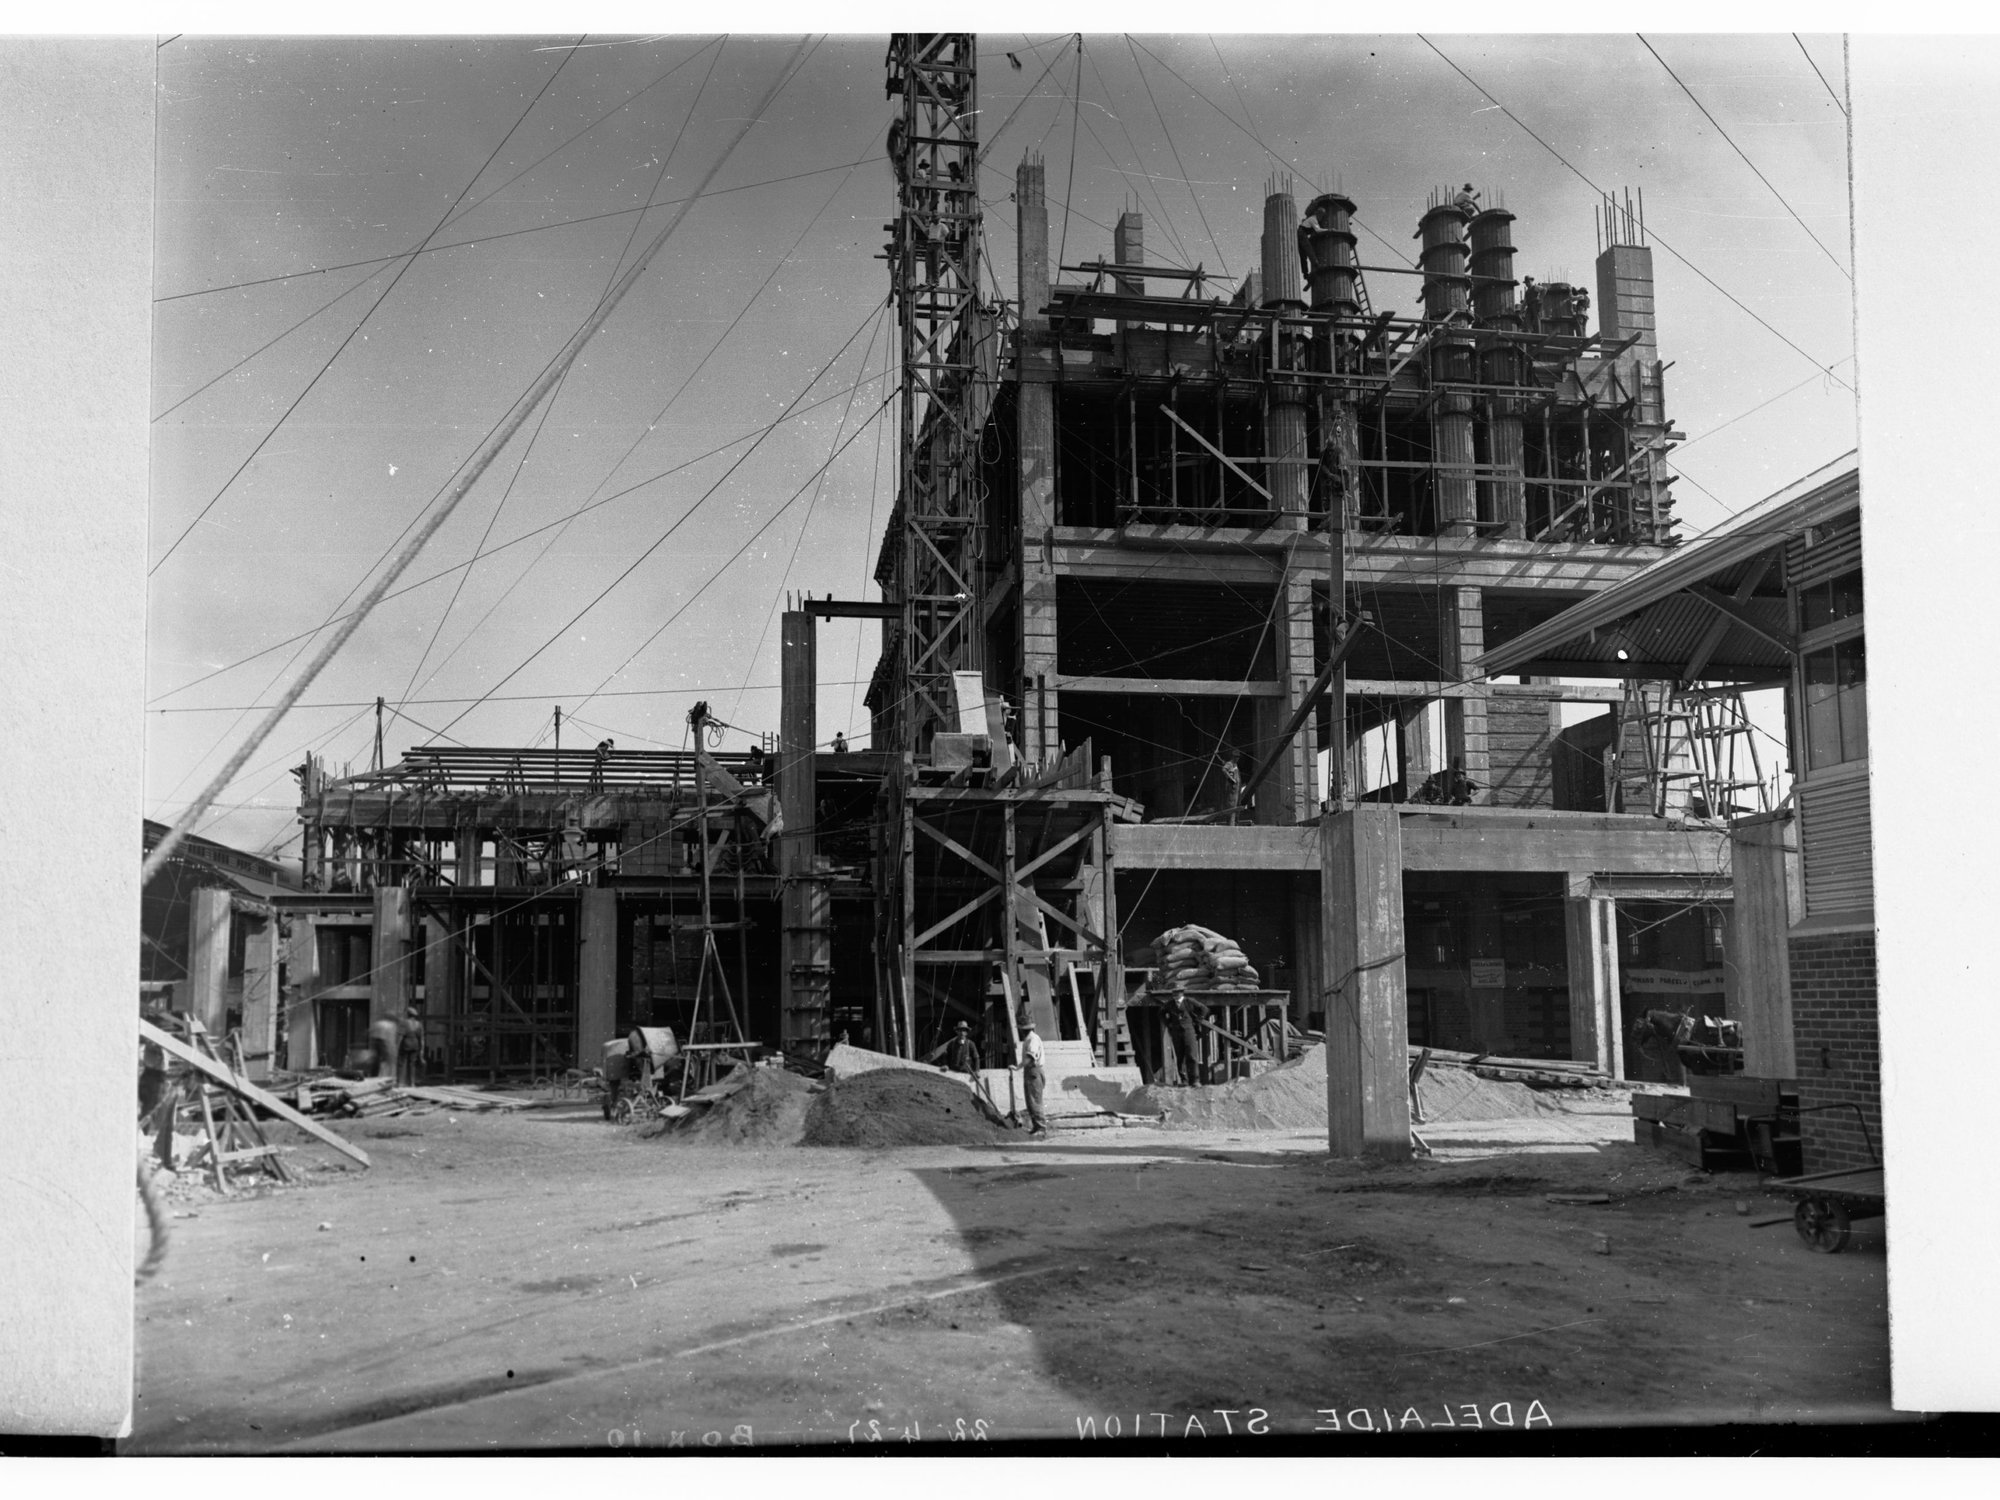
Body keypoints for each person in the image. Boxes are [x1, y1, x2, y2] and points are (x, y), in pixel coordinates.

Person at [1019, 1019, 1048, 1137]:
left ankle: (1041, 1128)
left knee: (1035, 1100)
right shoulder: (1029, 1038)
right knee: (1030, 1101)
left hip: (1033, 1071)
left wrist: (1018, 1067)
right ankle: (1036, 1126)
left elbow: (1030, 1057)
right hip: (1030, 1070)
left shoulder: (1033, 1039)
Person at [368, 1011, 402, 1080]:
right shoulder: (391, 1025)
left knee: (377, 1061)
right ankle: (388, 1076)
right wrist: (393, 1047)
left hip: (376, 1042)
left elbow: (370, 1033)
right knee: (388, 1061)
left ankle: (376, 1076)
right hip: (385, 1043)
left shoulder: (377, 1023)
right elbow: (391, 1037)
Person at [397, 1006, 424, 1087]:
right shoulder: (419, 1024)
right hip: (415, 1045)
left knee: (401, 1063)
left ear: (408, 1014)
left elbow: (401, 1036)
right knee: (412, 1064)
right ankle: (412, 1083)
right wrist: (421, 1049)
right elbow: (421, 1038)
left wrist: (397, 1046)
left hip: (405, 1044)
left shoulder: (404, 1023)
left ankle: (400, 1082)